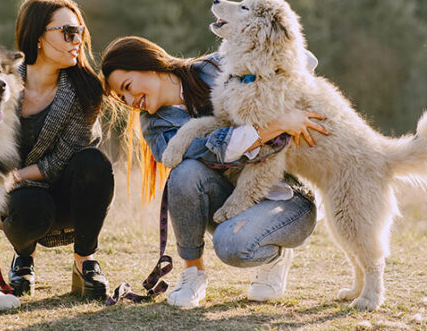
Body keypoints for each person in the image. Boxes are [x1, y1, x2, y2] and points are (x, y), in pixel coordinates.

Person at [101, 36, 327, 307]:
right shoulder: (154, 125)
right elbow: (216, 150)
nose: (129, 100)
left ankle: (273, 255)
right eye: (122, 98)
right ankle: (193, 274)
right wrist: (277, 124)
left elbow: (305, 59)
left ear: (148, 65)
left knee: (235, 247)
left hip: (287, 196)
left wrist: (287, 103)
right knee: (184, 171)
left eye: (127, 87)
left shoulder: (217, 67)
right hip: (232, 197)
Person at [2, 0, 114, 299]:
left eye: (79, 32)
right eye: (68, 33)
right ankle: (23, 258)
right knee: (29, 208)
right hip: (20, 202)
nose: (77, 40)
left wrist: (12, 177)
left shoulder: (86, 91)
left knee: (95, 163)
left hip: (68, 194)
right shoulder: (1, 84)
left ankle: (85, 262)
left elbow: (63, 160)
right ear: (38, 37)